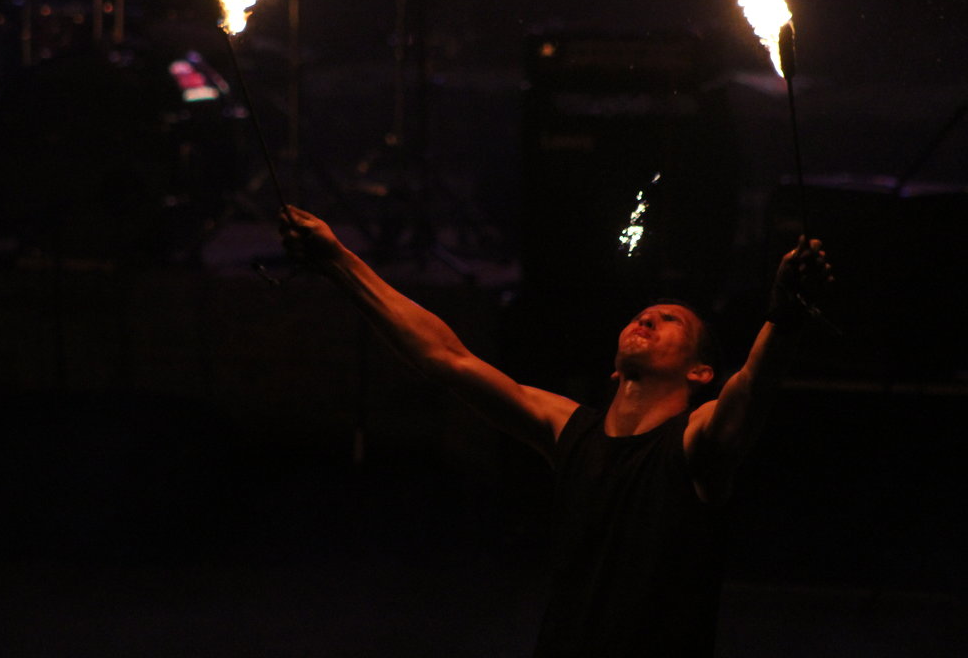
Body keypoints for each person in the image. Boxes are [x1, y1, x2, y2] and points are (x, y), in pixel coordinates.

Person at [279, 204, 833, 658]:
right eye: (643, 313)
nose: (648, 319)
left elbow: (753, 389)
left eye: (671, 322)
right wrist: (338, 261)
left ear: (700, 373)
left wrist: (785, 317)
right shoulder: (567, 427)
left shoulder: (696, 444)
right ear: (615, 368)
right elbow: (445, 357)